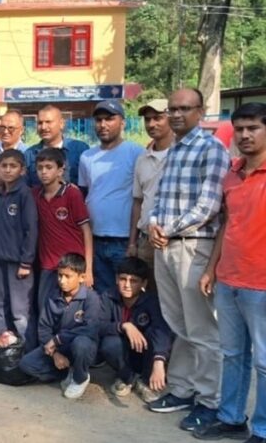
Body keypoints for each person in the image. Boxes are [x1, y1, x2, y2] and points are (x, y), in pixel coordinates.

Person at [147, 88, 229, 432]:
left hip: (193, 246)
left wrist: (166, 227)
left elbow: (209, 205)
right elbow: (159, 197)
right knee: (177, 322)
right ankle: (181, 388)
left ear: (200, 110)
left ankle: (209, 400)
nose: (177, 114)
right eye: (173, 109)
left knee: (201, 328)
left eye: (184, 108)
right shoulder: (175, 150)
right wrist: (152, 223)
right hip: (164, 245)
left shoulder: (211, 149)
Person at [194, 103, 266, 442]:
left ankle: (263, 429)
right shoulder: (232, 174)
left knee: (264, 363)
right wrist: (211, 268)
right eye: (239, 129)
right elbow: (227, 225)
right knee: (233, 354)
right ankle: (232, 417)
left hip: (262, 284)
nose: (245, 135)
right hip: (229, 278)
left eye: (253, 128)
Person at [78, 100, 144, 296]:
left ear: (122, 123)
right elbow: (84, 194)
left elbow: (140, 198)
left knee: (126, 294)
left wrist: (133, 242)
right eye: (98, 120)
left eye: (109, 119)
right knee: (99, 295)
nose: (103, 124)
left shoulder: (136, 153)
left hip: (123, 240)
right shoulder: (87, 157)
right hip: (95, 240)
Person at [19, 253, 101, 400]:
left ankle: (80, 378)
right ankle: (68, 370)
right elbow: (44, 328)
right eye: (59, 275)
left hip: (83, 346)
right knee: (26, 364)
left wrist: (58, 339)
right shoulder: (53, 296)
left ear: (81, 277)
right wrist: (55, 354)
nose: (62, 281)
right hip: (59, 348)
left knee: (81, 343)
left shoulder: (91, 298)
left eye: (67, 276)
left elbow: (91, 328)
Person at [98, 257, 172, 403]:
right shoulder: (108, 297)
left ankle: (145, 380)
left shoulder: (152, 301)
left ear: (144, 283)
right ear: (116, 279)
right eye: (123, 279)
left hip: (146, 355)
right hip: (123, 354)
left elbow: (161, 330)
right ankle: (127, 377)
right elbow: (97, 325)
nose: (127, 285)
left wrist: (159, 360)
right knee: (109, 343)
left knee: (155, 333)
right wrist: (124, 326)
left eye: (133, 281)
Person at [33, 148, 94, 318]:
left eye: (49, 167)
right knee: (45, 310)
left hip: (73, 265)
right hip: (48, 264)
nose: (44, 172)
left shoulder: (72, 194)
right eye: (40, 168)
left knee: (74, 314)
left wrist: (88, 269)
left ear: (60, 170)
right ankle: (46, 344)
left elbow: (86, 232)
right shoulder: (35, 194)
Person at [0, 150, 37, 345]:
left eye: (12, 166)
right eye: (3, 166)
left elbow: (31, 230)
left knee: (19, 312)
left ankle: (27, 352)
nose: (7, 170)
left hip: (18, 262)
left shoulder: (25, 194)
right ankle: (4, 351)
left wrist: (26, 262)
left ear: (22, 170)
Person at [128, 99, 173, 294]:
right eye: (147, 119)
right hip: (146, 241)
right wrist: (132, 242)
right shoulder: (142, 159)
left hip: (173, 239)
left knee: (176, 298)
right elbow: (138, 202)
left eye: (158, 118)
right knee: (150, 297)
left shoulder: (182, 155)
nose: (152, 124)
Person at [24, 105, 89, 186]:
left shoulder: (79, 149)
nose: (43, 127)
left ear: (61, 124)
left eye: (48, 122)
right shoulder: (30, 154)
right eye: (40, 123)